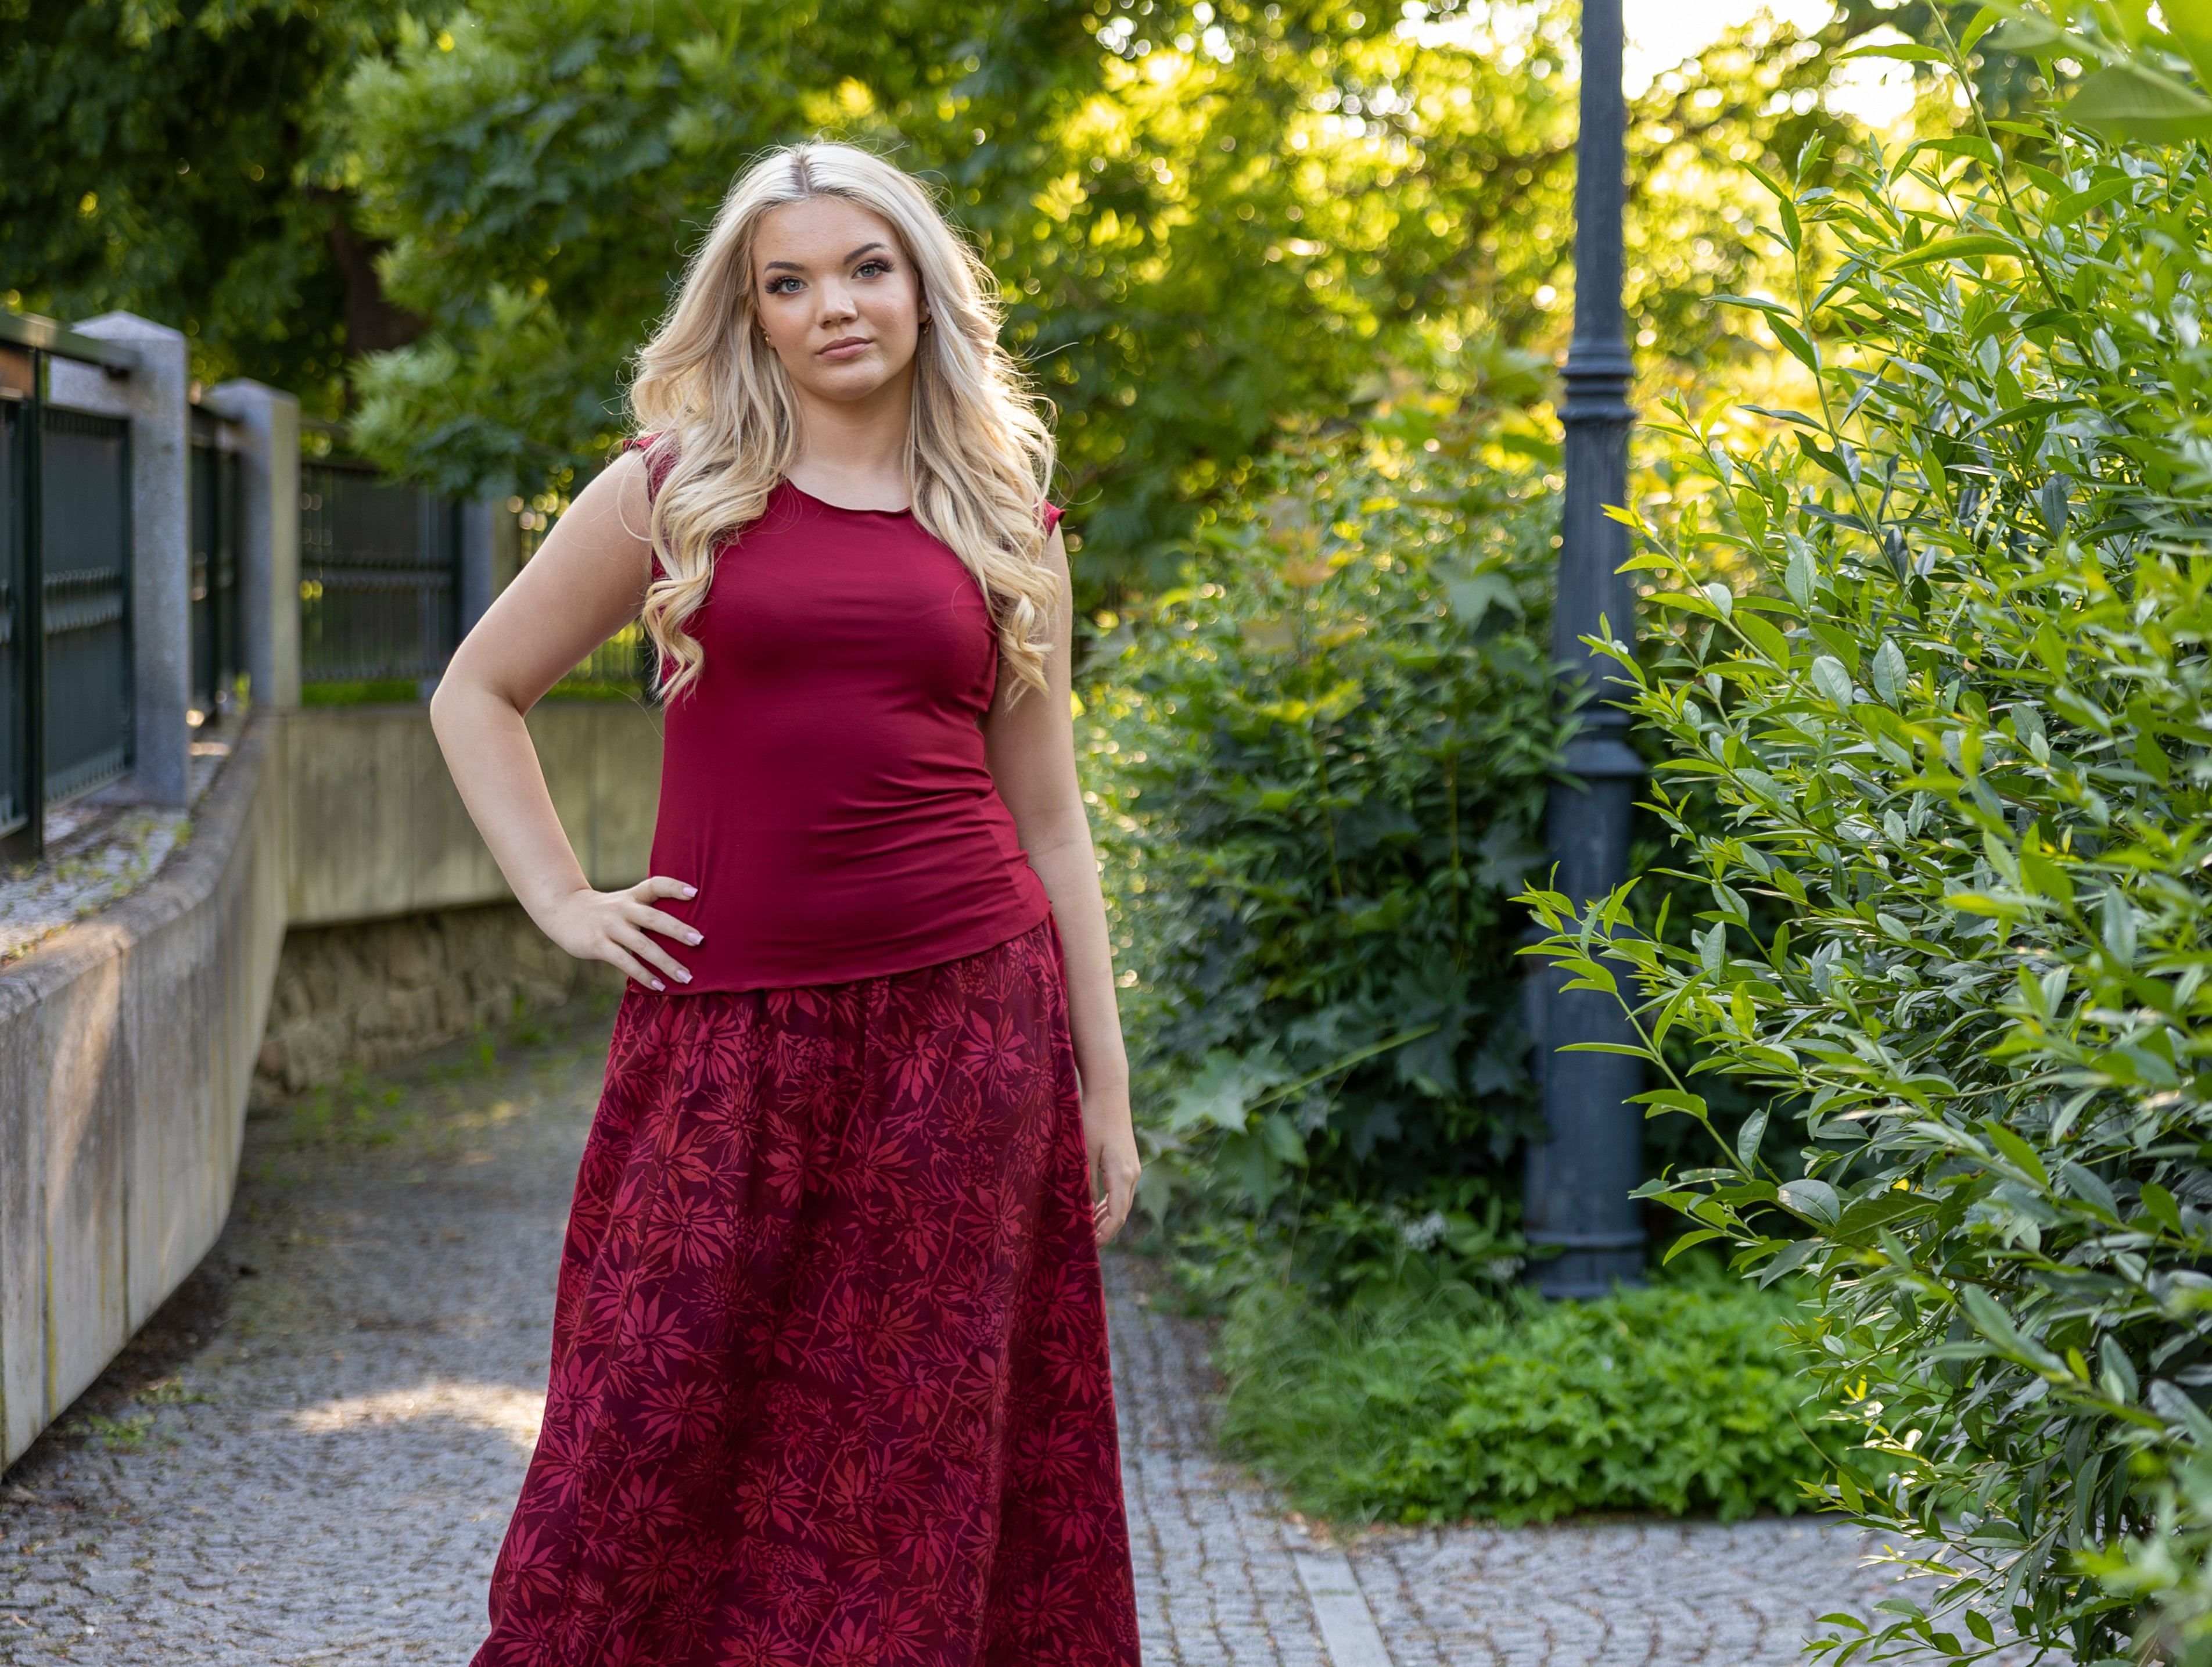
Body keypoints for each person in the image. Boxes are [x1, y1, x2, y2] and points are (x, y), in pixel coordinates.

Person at [429, 141, 1144, 1667]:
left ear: (924, 288)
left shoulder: (1007, 517)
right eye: (790, 281)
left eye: (867, 268)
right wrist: (561, 898)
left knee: (903, 1467)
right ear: (749, 311)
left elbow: (1051, 820)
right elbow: (477, 691)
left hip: (967, 1032)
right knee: (637, 1448)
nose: (836, 307)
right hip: (722, 1038)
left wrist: (1107, 1084)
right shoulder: (674, 491)